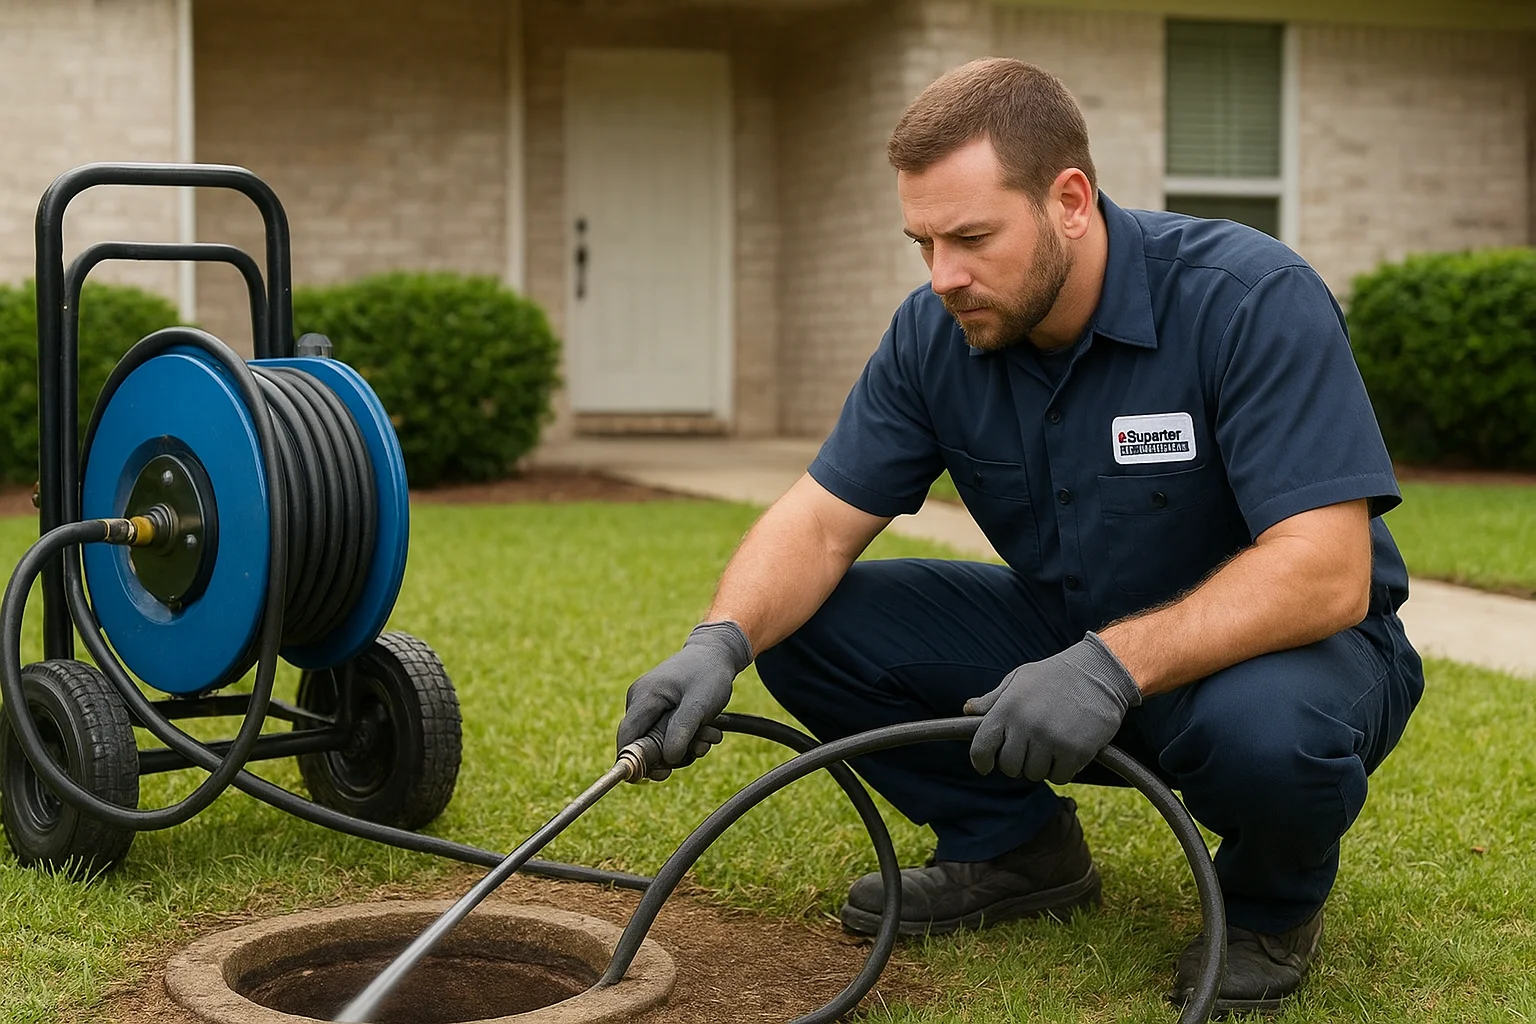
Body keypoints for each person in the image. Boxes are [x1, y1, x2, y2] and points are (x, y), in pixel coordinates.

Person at [615, 57, 1424, 1016]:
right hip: (1069, 636)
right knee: (809, 624)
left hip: (1295, 655)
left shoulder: (1247, 298)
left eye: (971, 238)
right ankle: (1015, 850)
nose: (944, 276)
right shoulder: (936, 334)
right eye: (922, 243)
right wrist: (721, 638)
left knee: (1269, 733)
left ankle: (1268, 905)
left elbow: (1325, 575)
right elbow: (821, 523)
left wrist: (1107, 667)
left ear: (1070, 200)